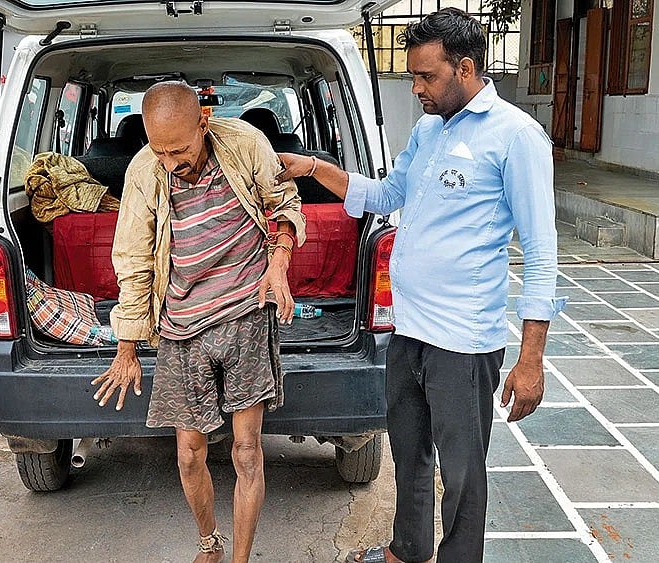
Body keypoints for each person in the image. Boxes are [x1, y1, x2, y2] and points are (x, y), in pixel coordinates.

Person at [277, 9, 564, 563]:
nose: (417, 88)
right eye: (412, 75)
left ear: (467, 67)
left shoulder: (515, 136)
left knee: (462, 471)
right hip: (408, 330)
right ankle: (407, 551)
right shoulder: (429, 130)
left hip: (464, 338)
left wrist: (532, 360)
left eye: (427, 77)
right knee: (409, 453)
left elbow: (542, 250)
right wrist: (312, 167)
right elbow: (387, 195)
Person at [90, 81, 305, 563]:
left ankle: (240, 559)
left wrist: (278, 262)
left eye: (179, 149)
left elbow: (285, 202)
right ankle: (209, 543)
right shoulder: (145, 172)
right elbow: (133, 258)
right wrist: (127, 347)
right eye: (158, 149)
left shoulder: (247, 143)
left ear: (203, 123)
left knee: (247, 451)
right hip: (181, 326)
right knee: (189, 453)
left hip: (246, 315)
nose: (169, 161)